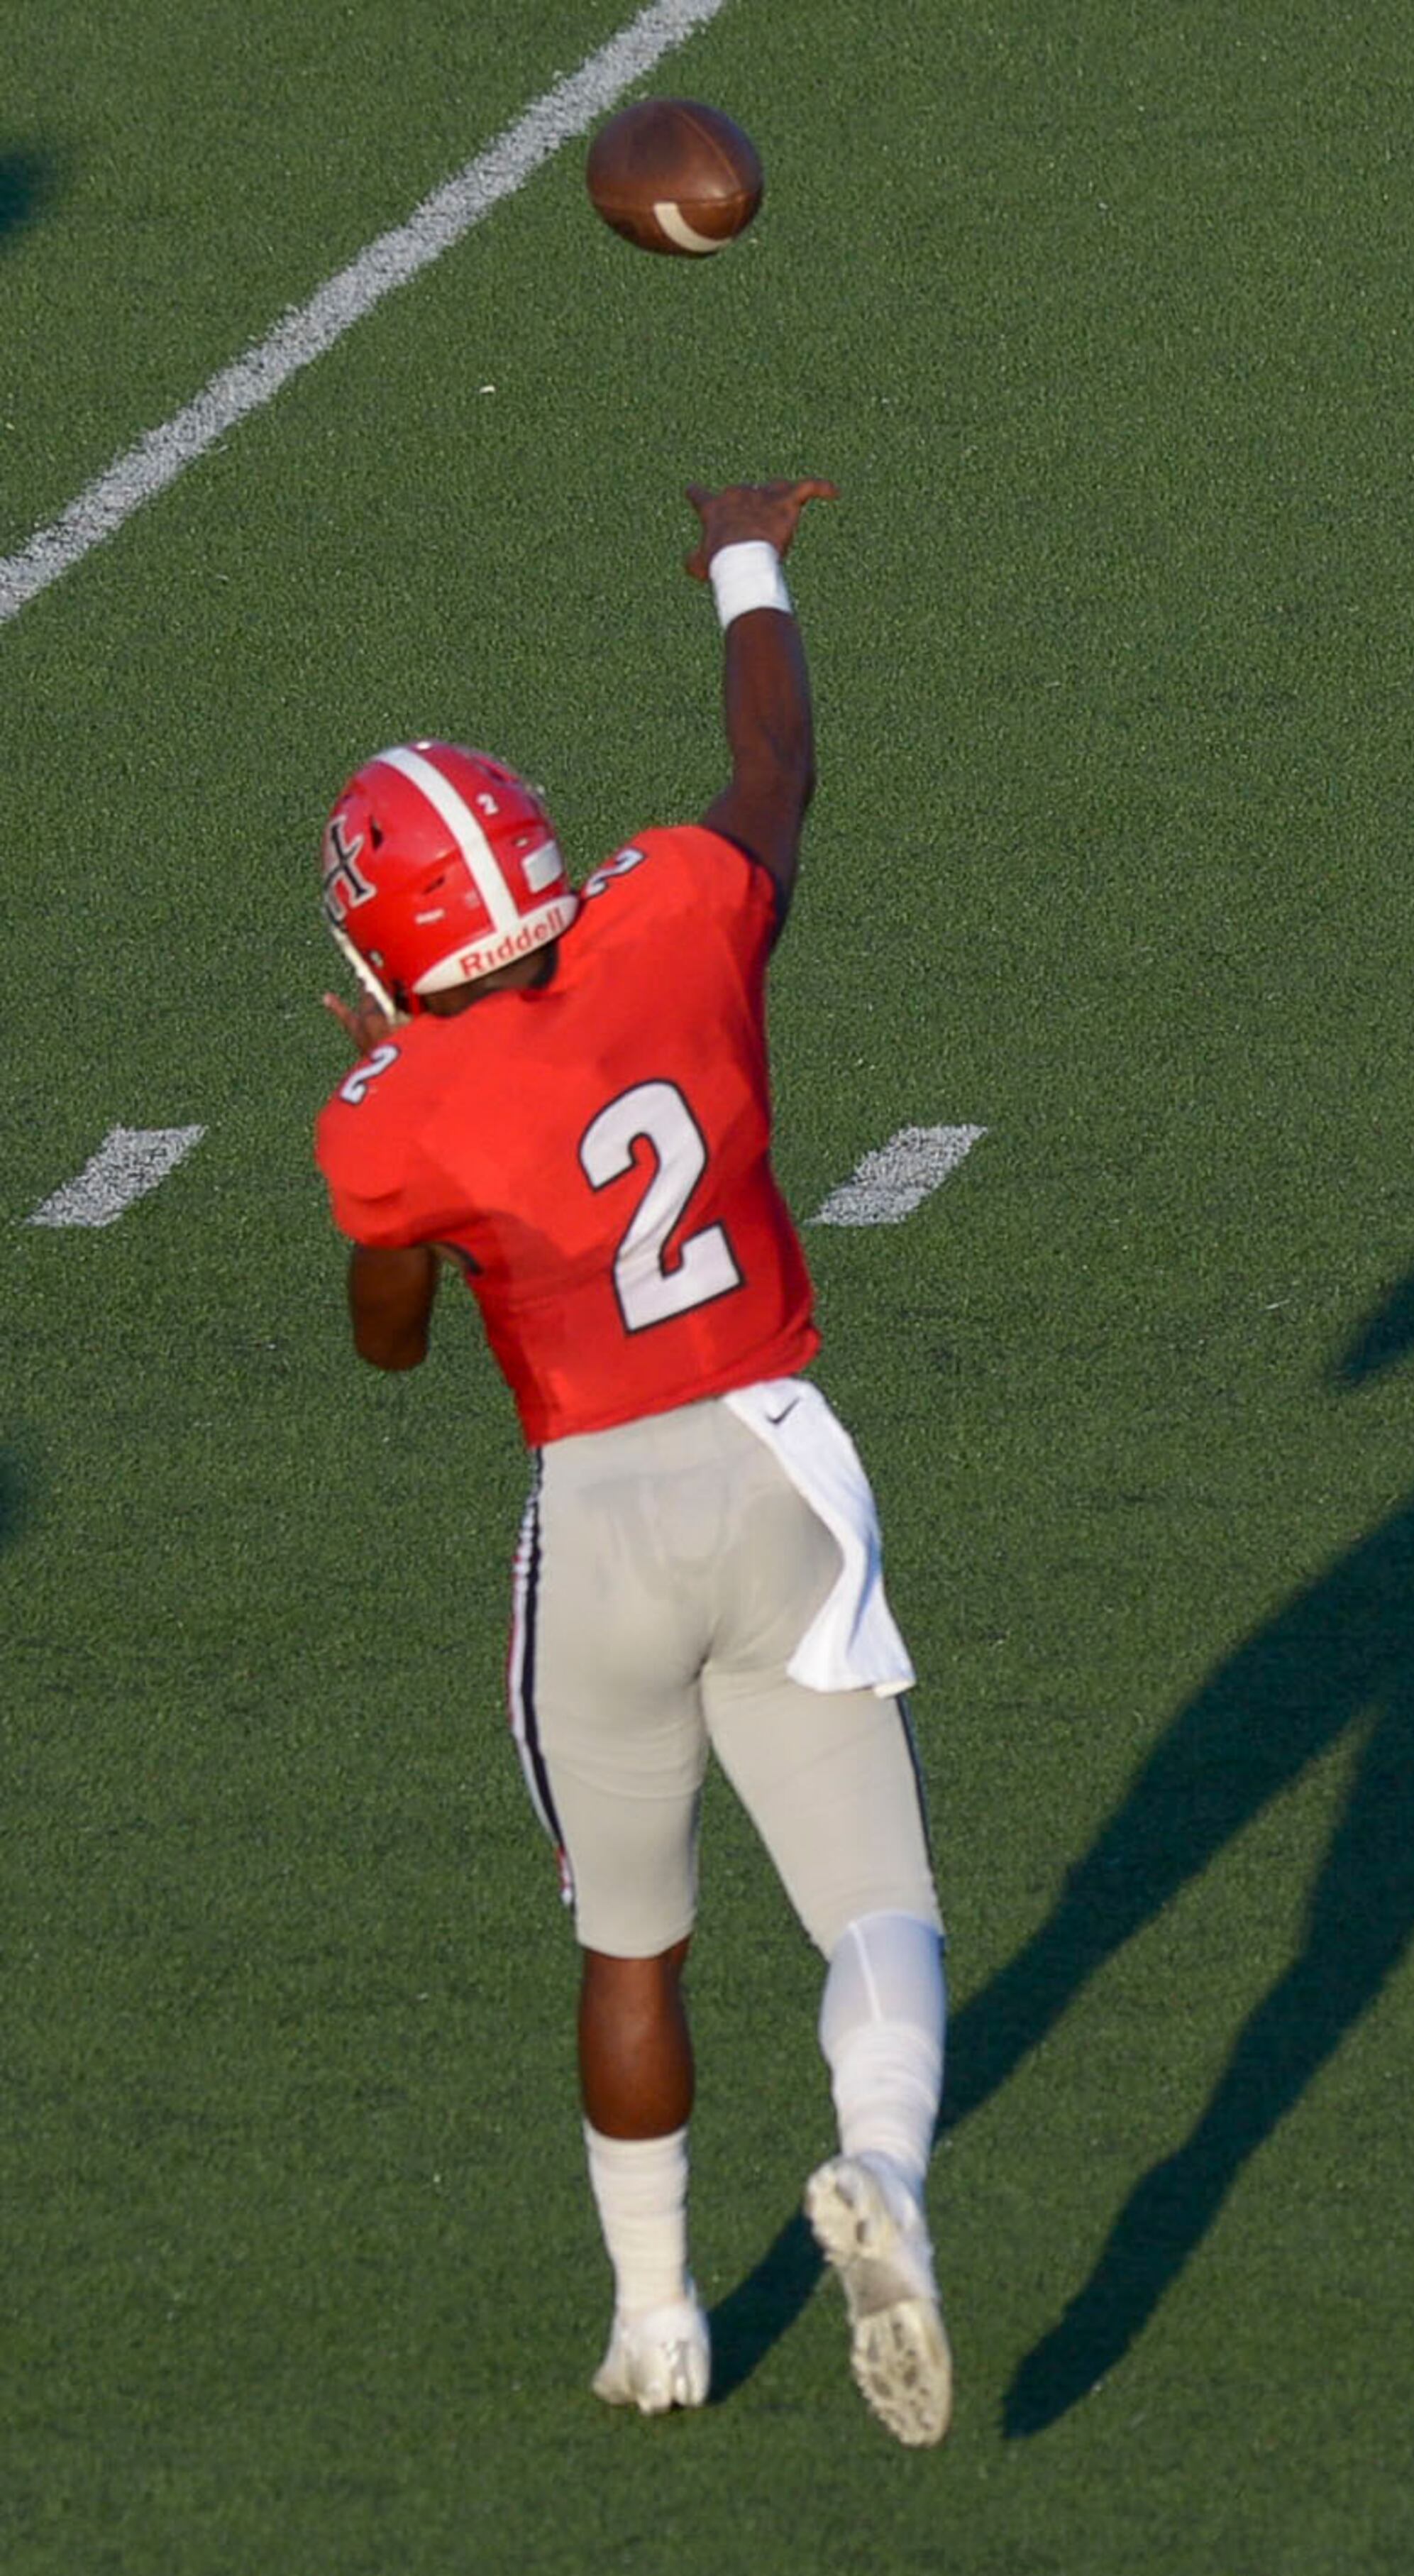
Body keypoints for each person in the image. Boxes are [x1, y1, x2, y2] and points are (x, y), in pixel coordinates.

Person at [310, 478, 951, 2446]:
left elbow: (393, 1340)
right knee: (877, 1906)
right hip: (777, 1461)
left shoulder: (390, 1115)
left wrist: (400, 1167)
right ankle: (891, 2184)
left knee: (632, 1935)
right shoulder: (672, 916)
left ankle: (659, 2321)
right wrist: (745, 559)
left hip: (597, 1514)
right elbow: (778, 763)